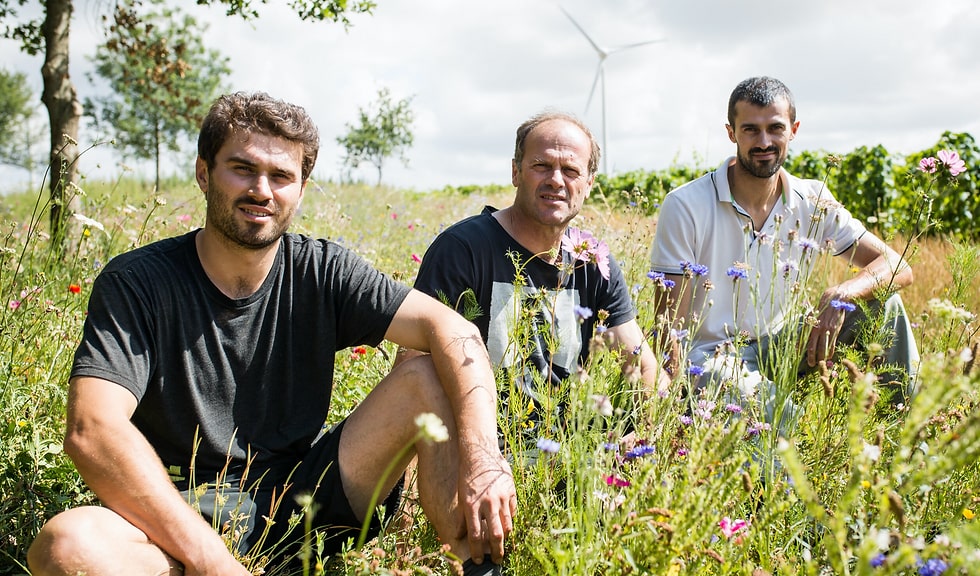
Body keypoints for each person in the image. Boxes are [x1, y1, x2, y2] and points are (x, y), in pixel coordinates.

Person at [27, 92, 516, 576]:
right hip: (172, 517)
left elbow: (453, 330)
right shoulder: (138, 282)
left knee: (428, 375)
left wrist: (484, 458)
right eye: (242, 168)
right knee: (67, 546)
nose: (262, 190)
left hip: (302, 502)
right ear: (203, 174)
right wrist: (212, 561)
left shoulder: (321, 269)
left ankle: (476, 568)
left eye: (281, 176)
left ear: (300, 190)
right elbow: (92, 430)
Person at [650, 76, 919, 411]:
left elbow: (898, 267)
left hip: (786, 344)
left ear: (793, 129)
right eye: (750, 129)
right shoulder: (685, 204)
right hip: (713, 358)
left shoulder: (813, 199)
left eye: (775, 128)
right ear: (731, 133)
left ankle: (901, 435)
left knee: (885, 304)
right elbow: (668, 324)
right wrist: (669, 408)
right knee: (777, 418)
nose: (764, 141)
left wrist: (843, 293)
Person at [400, 111, 667, 447]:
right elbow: (412, 371)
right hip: (471, 448)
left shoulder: (594, 263)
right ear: (515, 172)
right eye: (542, 165)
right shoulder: (463, 249)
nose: (556, 180)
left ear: (589, 184)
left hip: (561, 455)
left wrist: (643, 439)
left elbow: (644, 368)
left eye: (571, 171)